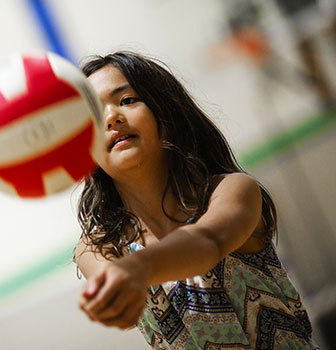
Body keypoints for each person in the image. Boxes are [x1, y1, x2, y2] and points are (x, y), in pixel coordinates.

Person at [73, 51, 317, 349]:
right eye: (94, 116)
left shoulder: (231, 191)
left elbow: (206, 242)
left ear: (167, 111)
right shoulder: (99, 247)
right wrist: (114, 295)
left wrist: (139, 269)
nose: (112, 118)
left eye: (126, 100)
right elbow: (113, 281)